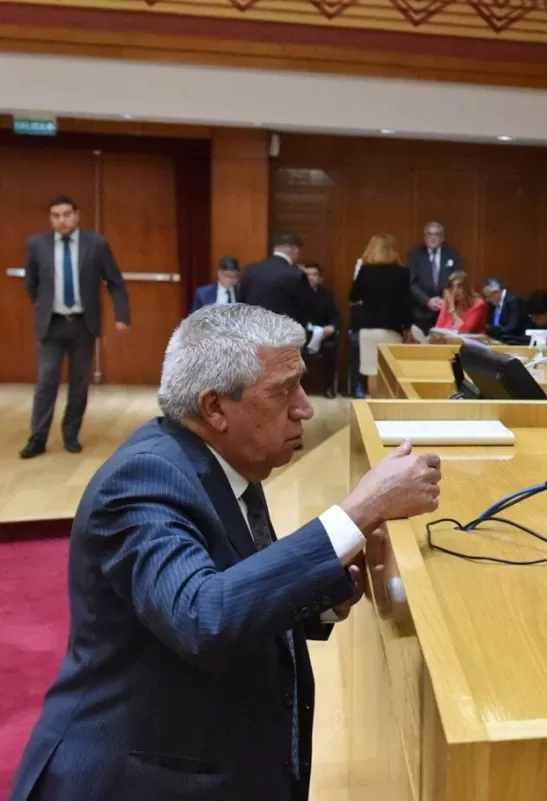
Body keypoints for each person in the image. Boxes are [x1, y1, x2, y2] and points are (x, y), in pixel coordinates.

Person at [8, 304, 442, 801]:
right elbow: (203, 617)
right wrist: (357, 512)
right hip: (130, 779)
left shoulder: (232, 460)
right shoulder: (145, 480)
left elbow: (237, 588)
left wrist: (321, 595)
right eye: (283, 392)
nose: (305, 408)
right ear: (215, 407)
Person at [21, 195, 130, 459]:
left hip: (83, 325)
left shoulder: (96, 244)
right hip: (52, 324)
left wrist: (122, 315)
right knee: (46, 381)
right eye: (56, 215)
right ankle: (38, 438)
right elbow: (31, 283)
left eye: (67, 214)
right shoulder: (37, 244)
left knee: (79, 383)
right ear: (51, 218)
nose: (62, 220)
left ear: (77, 215)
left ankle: (71, 435)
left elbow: (115, 281)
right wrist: (44, 307)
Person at [350, 235, 411, 389]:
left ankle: (373, 409)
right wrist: (408, 327)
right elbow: (406, 304)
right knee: (390, 374)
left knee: (372, 372)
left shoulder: (365, 271)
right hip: (392, 328)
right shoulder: (402, 273)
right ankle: (386, 410)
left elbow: (353, 297)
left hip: (369, 327)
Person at [239, 231, 312, 330]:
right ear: (295, 250)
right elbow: (305, 311)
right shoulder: (296, 275)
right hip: (283, 335)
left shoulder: (250, 270)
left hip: (254, 332)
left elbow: (241, 302)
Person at [409, 221, 463, 335]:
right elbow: (411, 283)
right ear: (425, 237)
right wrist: (427, 301)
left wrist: (446, 301)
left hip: (446, 312)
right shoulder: (416, 255)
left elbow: (459, 282)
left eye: (437, 234)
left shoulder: (452, 255)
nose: (433, 238)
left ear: (442, 237)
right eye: (429, 234)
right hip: (421, 313)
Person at [303, 263, 340, 399]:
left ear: (320, 278)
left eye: (314, 274)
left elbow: (335, 317)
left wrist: (332, 327)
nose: (311, 277)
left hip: (323, 334)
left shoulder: (326, 295)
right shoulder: (296, 294)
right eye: (307, 274)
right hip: (302, 334)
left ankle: (329, 388)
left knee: (331, 347)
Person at [482, 278, 529, 344]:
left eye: (488, 296)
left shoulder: (513, 301)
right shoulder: (493, 305)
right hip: (496, 341)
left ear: (496, 292)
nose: (487, 300)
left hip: (512, 343)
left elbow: (512, 327)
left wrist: (494, 330)